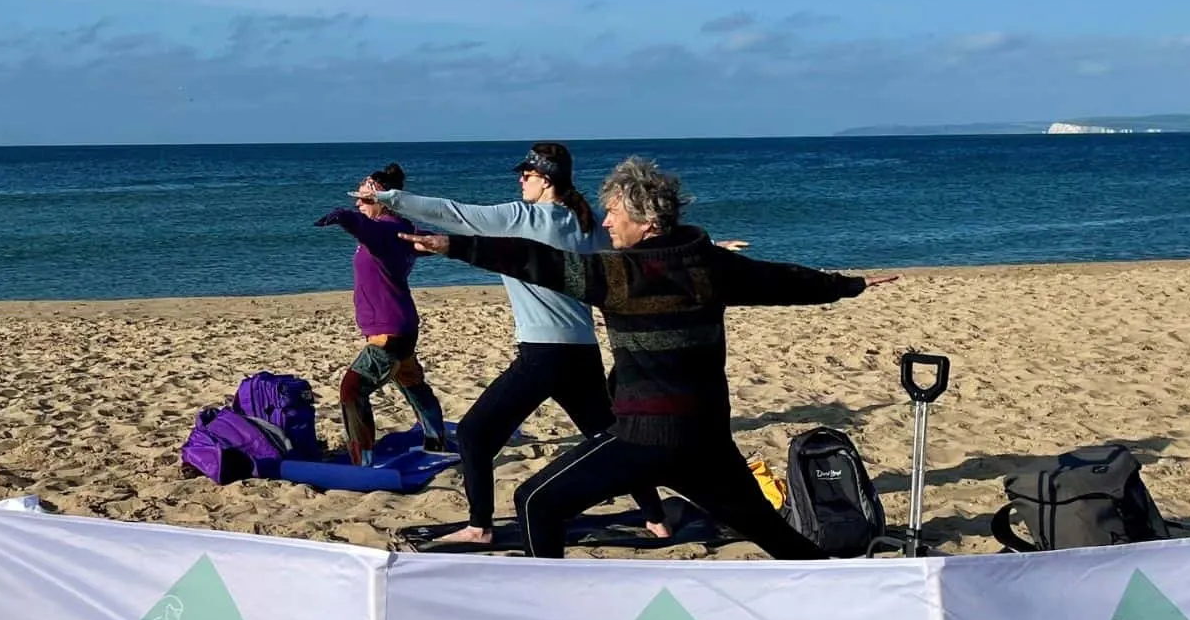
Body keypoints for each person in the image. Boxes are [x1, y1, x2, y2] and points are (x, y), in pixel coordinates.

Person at [400, 155, 896, 559]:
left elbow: (537, 261)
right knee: (777, 537)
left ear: (649, 222)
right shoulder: (710, 265)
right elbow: (784, 280)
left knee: (536, 502)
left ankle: (552, 618)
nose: (607, 221)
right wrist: (849, 285)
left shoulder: (616, 277)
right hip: (706, 441)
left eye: (616, 212)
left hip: (643, 438)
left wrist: (454, 246)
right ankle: (846, 590)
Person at [359, 142, 673, 545]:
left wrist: (387, 198)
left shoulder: (520, 217)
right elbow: (636, 250)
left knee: (473, 435)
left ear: (545, 180)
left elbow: (452, 213)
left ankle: (479, 527)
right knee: (609, 439)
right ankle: (656, 517)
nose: (521, 180)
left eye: (526, 175)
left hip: (542, 355)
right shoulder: (588, 222)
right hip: (582, 352)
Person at [315, 162, 448, 465]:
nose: (357, 203)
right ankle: (436, 440)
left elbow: (364, 227)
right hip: (402, 325)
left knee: (352, 389)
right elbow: (424, 240)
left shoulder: (385, 230)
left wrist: (343, 216)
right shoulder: (400, 231)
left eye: (362, 199)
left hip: (389, 332)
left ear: (381, 201)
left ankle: (362, 460)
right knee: (412, 382)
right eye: (356, 200)